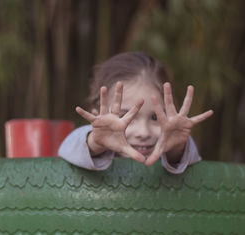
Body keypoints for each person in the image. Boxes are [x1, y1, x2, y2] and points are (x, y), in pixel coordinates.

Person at [58, 52, 213, 174]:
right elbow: (68, 150)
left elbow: (187, 160)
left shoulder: (171, 147)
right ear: (100, 112)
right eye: (127, 117)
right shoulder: (93, 145)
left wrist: (176, 149)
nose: (143, 132)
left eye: (154, 117)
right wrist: (95, 143)